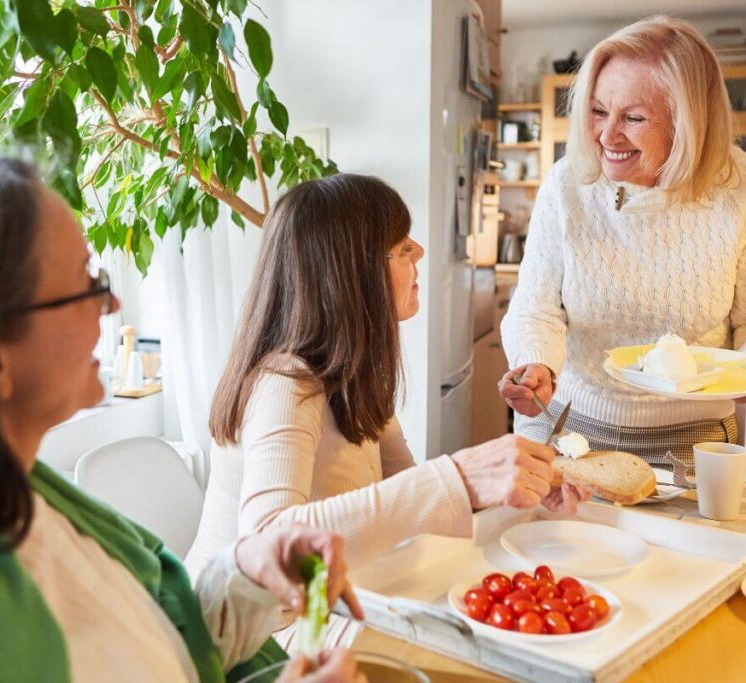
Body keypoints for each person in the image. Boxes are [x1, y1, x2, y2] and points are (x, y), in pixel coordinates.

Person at [0, 152, 365, 683]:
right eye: (86, 282)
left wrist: (248, 573)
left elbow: (158, 643)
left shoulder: (21, 488)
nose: (112, 306)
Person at [185, 173, 589, 642]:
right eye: (400, 249)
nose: (417, 252)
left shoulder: (353, 372)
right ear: (351, 275)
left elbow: (411, 509)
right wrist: (458, 477)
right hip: (246, 643)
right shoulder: (285, 381)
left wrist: (513, 494)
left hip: (317, 613)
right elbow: (270, 544)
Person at [498, 15, 746, 467]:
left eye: (634, 118)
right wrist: (537, 366)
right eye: (599, 111)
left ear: (688, 124)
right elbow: (535, 307)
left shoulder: (742, 187)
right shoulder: (568, 184)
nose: (606, 135)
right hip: (564, 423)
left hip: (692, 439)